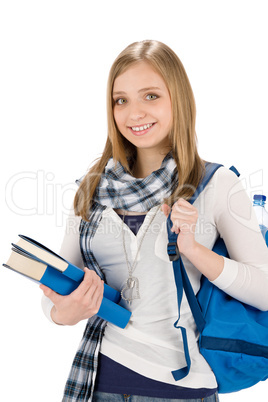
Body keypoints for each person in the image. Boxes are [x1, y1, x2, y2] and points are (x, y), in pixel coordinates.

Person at [40, 40, 268, 402]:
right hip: (99, 384)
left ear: (178, 99)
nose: (134, 113)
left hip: (182, 391)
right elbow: (59, 294)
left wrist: (193, 250)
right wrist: (63, 313)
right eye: (121, 100)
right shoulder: (92, 190)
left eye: (150, 96)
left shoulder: (217, 184)